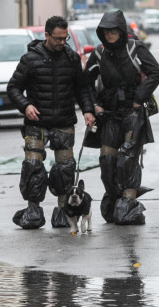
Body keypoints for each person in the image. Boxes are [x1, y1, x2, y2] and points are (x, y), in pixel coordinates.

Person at [6, 15, 96, 229]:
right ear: (46, 35)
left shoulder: (72, 58)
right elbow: (13, 88)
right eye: (57, 38)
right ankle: (33, 210)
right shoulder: (30, 59)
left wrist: (88, 110)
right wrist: (26, 106)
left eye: (65, 38)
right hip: (36, 123)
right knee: (33, 167)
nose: (61, 42)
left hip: (64, 121)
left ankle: (64, 211)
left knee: (65, 169)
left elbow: (82, 88)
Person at [83, 10, 159, 225]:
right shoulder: (99, 53)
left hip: (133, 113)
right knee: (107, 162)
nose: (109, 34)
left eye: (113, 30)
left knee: (128, 158)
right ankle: (114, 195)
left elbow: (156, 72)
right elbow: (85, 83)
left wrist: (139, 97)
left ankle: (128, 201)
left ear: (120, 30)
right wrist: (93, 106)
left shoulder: (135, 48)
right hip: (108, 115)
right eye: (106, 31)